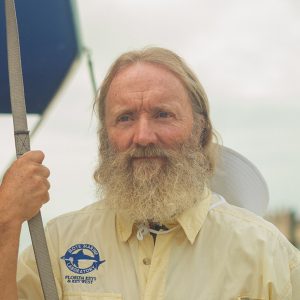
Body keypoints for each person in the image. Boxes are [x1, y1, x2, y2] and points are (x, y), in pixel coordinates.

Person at [0, 47, 299, 300]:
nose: (143, 136)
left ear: (201, 130)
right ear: (106, 139)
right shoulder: (56, 244)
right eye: (125, 117)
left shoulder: (265, 253)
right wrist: (7, 220)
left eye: (162, 114)